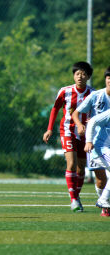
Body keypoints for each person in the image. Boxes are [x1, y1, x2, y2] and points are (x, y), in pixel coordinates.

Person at [43, 61, 94, 212]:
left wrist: (91, 122)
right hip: (67, 131)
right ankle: (73, 200)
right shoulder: (65, 91)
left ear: (88, 76)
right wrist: (49, 129)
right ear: (73, 75)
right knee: (70, 164)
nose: (80, 76)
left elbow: (97, 112)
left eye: (83, 74)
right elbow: (55, 109)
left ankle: (76, 197)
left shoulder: (93, 93)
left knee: (81, 169)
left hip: (85, 133)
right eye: (77, 73)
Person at [72, 66, 110, 216]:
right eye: (109, 78)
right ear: (106, 80)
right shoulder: (96, 96)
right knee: (101, 179)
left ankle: (104, 203)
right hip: (96, 144)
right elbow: (76, 113)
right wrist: (81, 125)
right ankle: (104, 202)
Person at [84, 107, 110, 211]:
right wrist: (89, 141)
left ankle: (103, 199)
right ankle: (103, 199)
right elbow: (93, 121)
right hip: (100, 149)